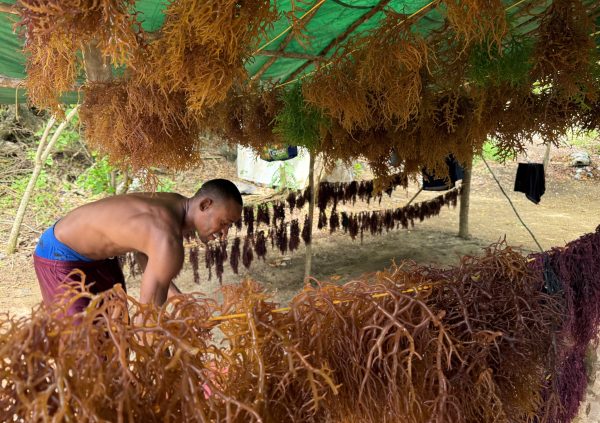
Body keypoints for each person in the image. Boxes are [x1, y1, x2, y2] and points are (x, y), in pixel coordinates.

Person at [33, 178, 243, 315]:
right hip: (59, 255)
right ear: (205, 205)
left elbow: (147, 253)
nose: (224, 232)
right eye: (224, 222)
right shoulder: (166, 237)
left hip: (99, 259)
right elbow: (148, 315)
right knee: (81, 348)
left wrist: (178, 301)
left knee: (115, 331)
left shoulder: (175, 205)